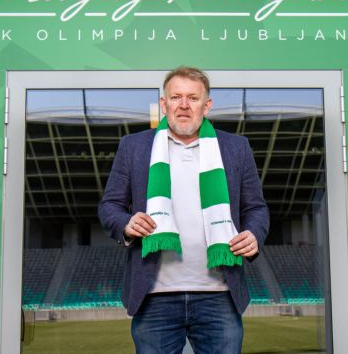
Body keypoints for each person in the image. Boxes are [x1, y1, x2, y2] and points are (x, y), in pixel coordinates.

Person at [98, 66, 269, 354]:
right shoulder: (134, 146)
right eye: (176, 97)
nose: (184, 105)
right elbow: (109, 205)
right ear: (163, 104)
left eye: (193, 97)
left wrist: (253, 234)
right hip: (154, 297)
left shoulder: (236, 147)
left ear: (207, 105)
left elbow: (256, 208)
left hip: (219, 296)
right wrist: (127, 224)